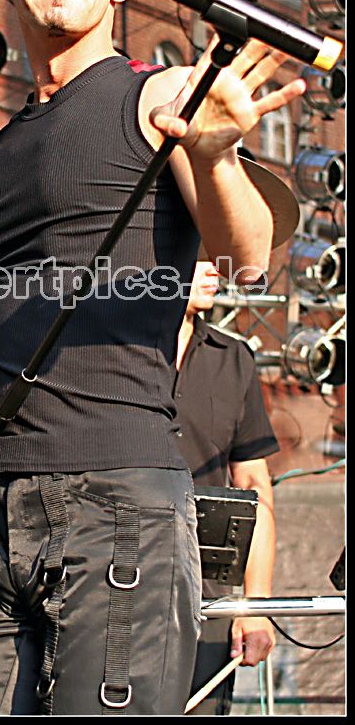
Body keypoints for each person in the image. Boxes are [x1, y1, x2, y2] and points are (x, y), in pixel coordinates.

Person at [0, 0, 304, 716]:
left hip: (119, 508)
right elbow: (8, 346)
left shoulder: (161, 95)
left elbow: (247, 254)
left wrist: (215, 155)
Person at [175, 261, 278, 715]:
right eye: (202, 258)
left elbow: (254, 484)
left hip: (208, 596)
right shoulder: (111, 354)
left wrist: (255, 605)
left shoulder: (235, 359)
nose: (216, 272)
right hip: (114, 582)